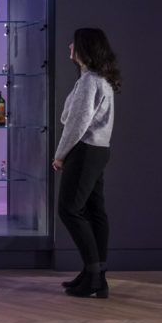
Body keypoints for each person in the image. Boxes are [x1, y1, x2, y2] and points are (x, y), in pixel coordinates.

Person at [52, 28, 122, 298]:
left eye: (75, 43)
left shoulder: (89, 82)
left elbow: (76, 124)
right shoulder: (99, 79)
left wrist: (60, 155)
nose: (70, 46)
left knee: (69, 210)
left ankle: (93, 275)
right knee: (95, 212)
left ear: (84, 49)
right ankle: (96, 275)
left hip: (84, 151)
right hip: (99, 150)